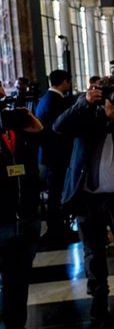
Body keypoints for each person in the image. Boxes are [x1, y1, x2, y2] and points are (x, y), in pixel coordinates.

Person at [55, 76, 114, 322]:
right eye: (110, 94)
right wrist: (84, 103)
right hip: (87, 197)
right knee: (92, 251)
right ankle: (98, 294)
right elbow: (59, 127)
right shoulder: (86, 113)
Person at [0, 106, 44, 329]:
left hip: (26, 216)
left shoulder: (15, 124)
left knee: (18, 280)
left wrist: (39, 130)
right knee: (8, 281)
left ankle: (17, 324)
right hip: (3, 218)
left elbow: (58, 147)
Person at [35, 69, 78, 247]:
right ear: (64, 82)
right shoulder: (56, 101)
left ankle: (58, 227)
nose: (69, 86)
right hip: (56, 154)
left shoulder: (45, 99)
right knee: (55, 193)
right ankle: (57, 230)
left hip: (49, 154)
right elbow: (61, 128)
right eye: (68, 82)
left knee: (55, 192)